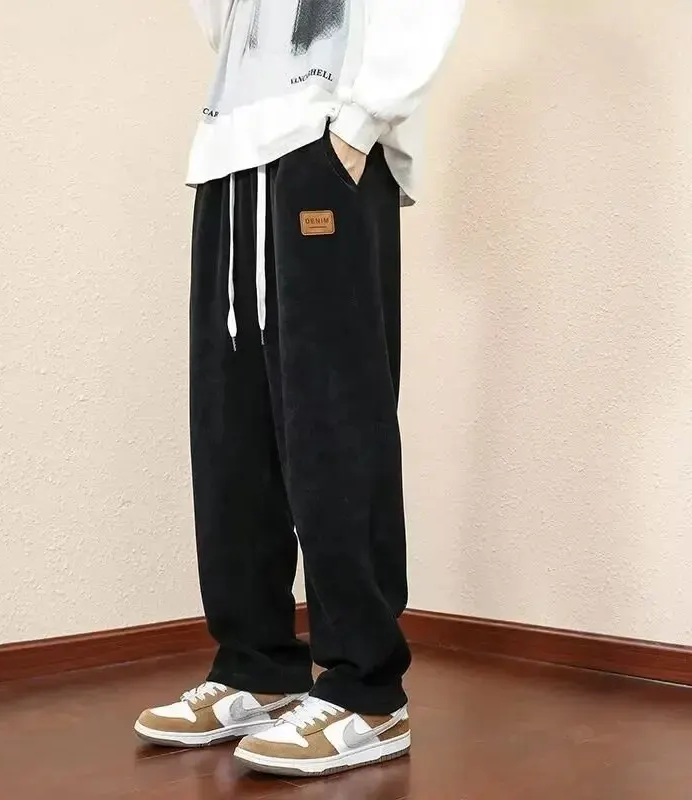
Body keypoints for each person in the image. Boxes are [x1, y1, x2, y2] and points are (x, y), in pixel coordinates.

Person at [135, 0, 464, 778]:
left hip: (325, 140)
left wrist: (358, 126)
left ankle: (366, 689)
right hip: (230, 150)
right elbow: (219, 23)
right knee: (231, 424)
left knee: (334, 420)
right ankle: (255, 666)